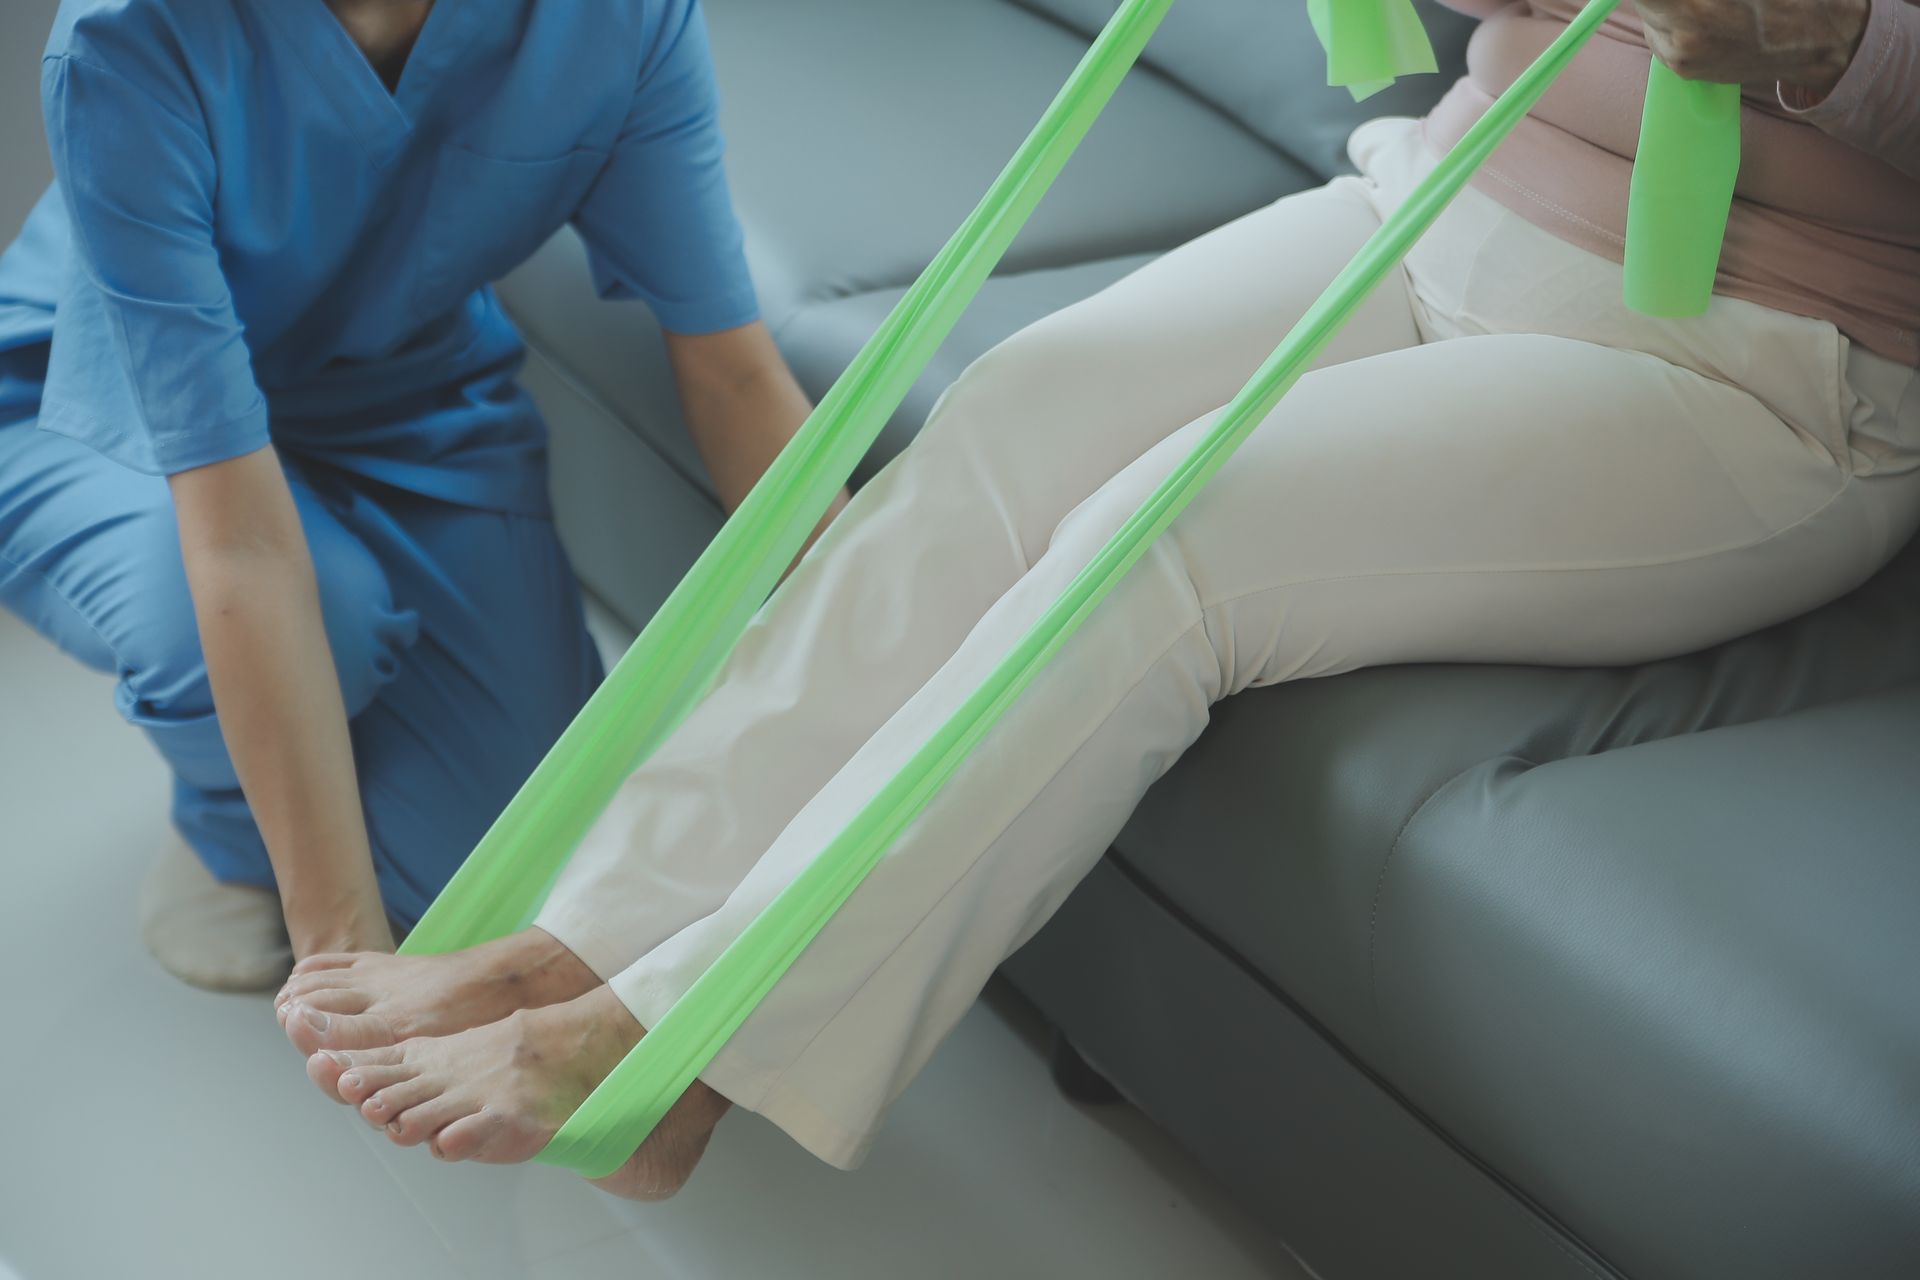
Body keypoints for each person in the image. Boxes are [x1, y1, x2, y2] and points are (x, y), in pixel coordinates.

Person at [277, 0, 1920, 1201]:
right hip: (1446, 206)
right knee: (1017, 410)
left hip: (1759, 361)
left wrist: (1840, 46)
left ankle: (683, 1045)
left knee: (1170, 540)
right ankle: (599, 930)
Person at [0, 0, 829, 991]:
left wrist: (907, 640)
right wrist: (343, 956)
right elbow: (241, 541)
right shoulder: (130, 36)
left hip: (405, 394)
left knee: (522, 887)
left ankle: (305, 756)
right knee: (319, 617)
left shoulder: (619, 18)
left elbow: (734, 374)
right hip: (106, 406)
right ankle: (230, 827)